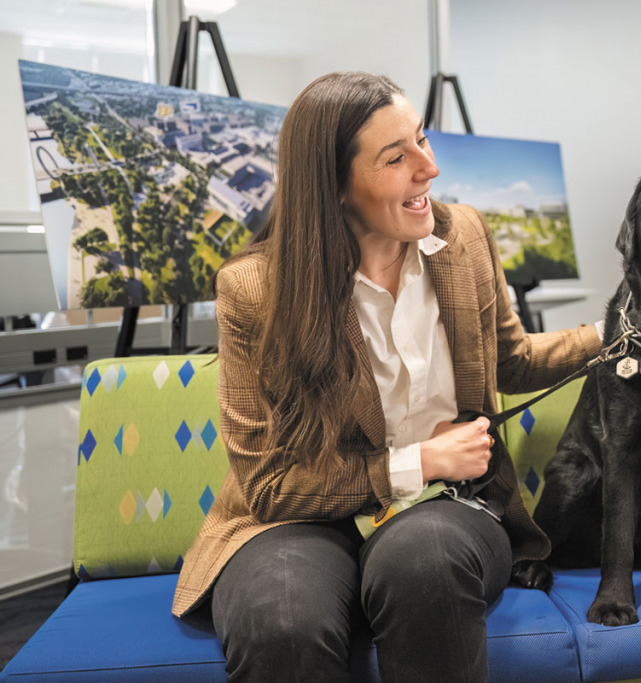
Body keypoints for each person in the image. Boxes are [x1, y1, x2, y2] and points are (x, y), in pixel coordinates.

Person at [171, 71, 602, 682]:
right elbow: (269, 487)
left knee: (423, 565)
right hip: (296, 521)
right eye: (397, 157)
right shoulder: (255, 289)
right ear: (335, 185)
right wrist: (421, 460)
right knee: (283, 621)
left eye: (422, 141)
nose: (428, 167)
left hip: (445, 511)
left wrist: (615, 332)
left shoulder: (465, 238)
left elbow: (511, 360)